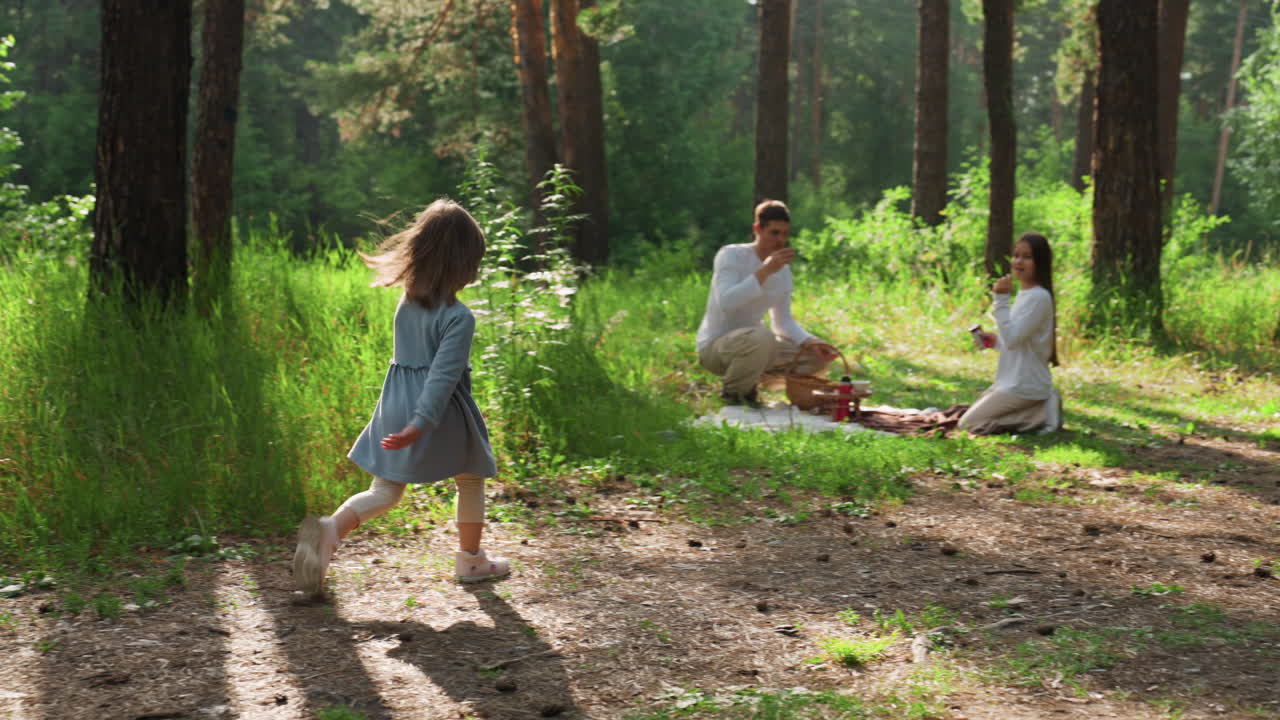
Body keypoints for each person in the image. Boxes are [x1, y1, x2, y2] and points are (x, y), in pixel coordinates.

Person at [293, 199, 508, 598]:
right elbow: (442, 378)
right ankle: (472, 560)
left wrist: (408, 420)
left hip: (394, 403)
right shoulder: (459, 317)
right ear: (461, 263)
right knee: (470, 476)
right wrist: (420, 423)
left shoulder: (407, 302)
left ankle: (330, 530)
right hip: (437, 413)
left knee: (385, 492)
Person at [696, 199, 840, 405]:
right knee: (762, 337)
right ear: (757, 229)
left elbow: (783, 323)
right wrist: (765, 271)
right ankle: (734, 396)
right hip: (716, 347)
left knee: (815, 358)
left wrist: (810, 341)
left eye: (785, 234)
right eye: (774, 233)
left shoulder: (783, 271)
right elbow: (727, 302)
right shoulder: (731, 255)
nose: (780, 240)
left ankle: (754, 381)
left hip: (757, 345)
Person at [958, 232, 1062, 435]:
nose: (1018, 261)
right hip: (1010, 381)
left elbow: (1013, 339)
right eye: (1016, 255)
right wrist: (996, 341)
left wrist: (1001, 299)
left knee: (967, 425)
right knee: (972, 415)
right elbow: (1018, 339)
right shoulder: (1026, 295)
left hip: (1025, 384)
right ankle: (1037, 410)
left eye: (1027, 257)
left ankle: (1041, 414)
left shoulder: (1039, 297)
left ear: (1040, 262)